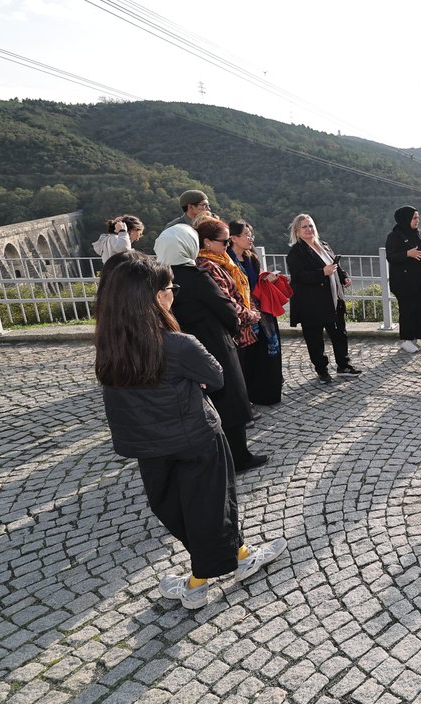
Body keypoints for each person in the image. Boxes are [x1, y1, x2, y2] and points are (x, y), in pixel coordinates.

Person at [95, 255, 286, 609]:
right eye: (171, 288)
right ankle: (198, 584)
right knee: (210, 507)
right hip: (195, 437)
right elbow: (215, 377)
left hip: (148, 445)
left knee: (177, 507)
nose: (174, 294)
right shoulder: (178, 344)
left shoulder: (110, 344)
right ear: (155, 296)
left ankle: (241, 556)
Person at [154, 224, 266, 474]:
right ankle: (239, 457)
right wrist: (236, 327)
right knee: (231, 399)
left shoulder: (159, 277)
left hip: (179, 346)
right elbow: (226, 309)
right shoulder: (196, 276)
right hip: (214, 343)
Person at [286, 213, 360, 382]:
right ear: (297, 231)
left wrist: (344, 277)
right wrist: (322, 273)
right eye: (304, 227)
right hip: (311, 304)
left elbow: (335, 266)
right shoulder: (296, 253)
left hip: (333, 300)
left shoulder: (324, 245)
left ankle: (344, 366)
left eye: (311, 225)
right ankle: (322, 371)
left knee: (340, 334)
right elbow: (299, 277)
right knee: (315, 340)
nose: (309, 229)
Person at [228, 220, 285, 405]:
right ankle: (250, 394)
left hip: (262, 311)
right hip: (243, 312)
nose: (250, 238)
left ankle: (267, 392)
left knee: (268, 350)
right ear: (233, 238)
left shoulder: (251, 258)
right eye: (246, 234)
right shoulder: (226, 260)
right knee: (250, 355)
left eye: (251, 234)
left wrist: (267, 280)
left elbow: (255, 283)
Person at [385, 206, 421, 354]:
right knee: (408, 311)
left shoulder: (419, 233)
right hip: (405, 282)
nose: (417, 220)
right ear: (406, 219)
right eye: (414, 218)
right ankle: (407, 340)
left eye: (418, 217)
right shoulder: (394, 236)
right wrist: (407, 254)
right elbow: (391, 257)